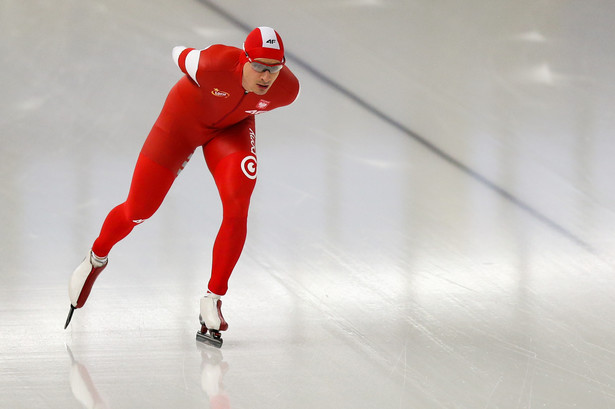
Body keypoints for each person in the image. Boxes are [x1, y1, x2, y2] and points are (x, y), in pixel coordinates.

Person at [64, 27, 300, 345]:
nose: (265, 76)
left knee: (237, 207)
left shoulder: (286, 90)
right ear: (243, 59)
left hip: (230, 131)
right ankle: (96, 257)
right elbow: (178, 52)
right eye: (258, 66)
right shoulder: (212, 63)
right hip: (181, 123)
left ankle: (212, 300)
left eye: (274, 68)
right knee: (139, 211)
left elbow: (251, 99)